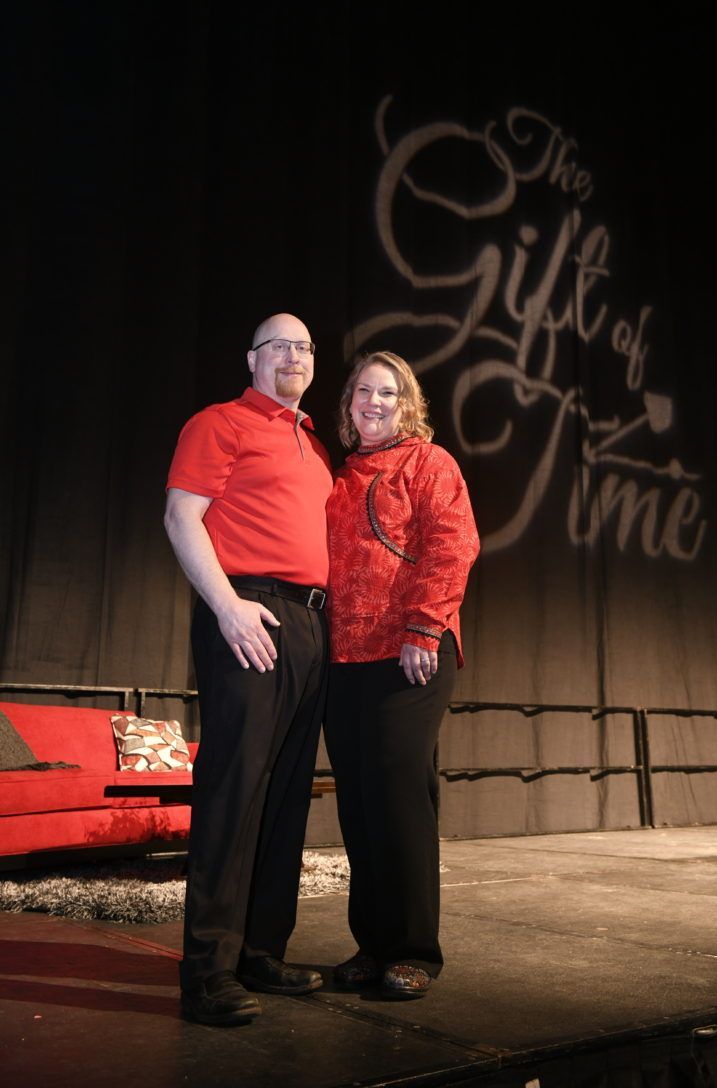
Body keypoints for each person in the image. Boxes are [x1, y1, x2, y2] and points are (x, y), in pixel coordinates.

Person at [164, 312, 332, 1026]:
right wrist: (228, 606)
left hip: (310, 622)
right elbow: (181, 516)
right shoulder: (220, 422)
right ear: (252, 358)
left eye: (305, 347)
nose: (294, 355)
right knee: (234, 792)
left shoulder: (315, 442)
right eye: (280, 345)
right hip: (248, 611)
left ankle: (260, 952)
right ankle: (206, 973)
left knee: (287, 794)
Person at [324, 350, 480, 1001]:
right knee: (359, 801)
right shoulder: (337, 475)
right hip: (344, 660)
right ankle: (375, 944)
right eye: (364, 391)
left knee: (398, 792)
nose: (375, 401)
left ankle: (416, 949)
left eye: (388, 392)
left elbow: (453, 543)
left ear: (407, 402)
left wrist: (423, 627)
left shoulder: (429, 463)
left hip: (411, 654)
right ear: (349, 403)